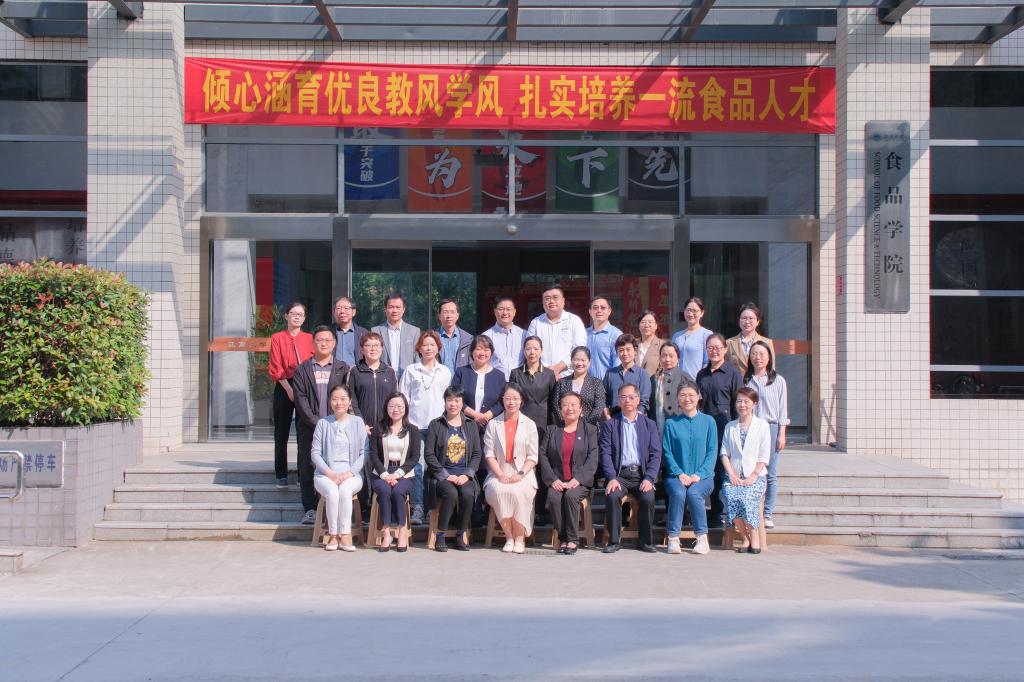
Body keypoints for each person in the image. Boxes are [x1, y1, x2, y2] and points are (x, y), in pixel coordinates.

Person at [292, 326, 350, 526]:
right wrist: (318, 423)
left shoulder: (343, 369)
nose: (324, 343)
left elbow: (347, 398)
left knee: (335, 466)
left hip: (338, 428)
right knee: (308, 466)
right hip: (310, 428)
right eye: (319, 340)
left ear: (334, 343)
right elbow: (300, 400)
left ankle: (332, 511)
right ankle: (310, 509)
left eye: (328, 340)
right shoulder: (303, 369)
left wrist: (335, 422)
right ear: (313, 343)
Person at [600, 384, 662, 553]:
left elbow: (656, 454)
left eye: (631, 397)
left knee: (648, 498)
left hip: (642, 474)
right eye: (623, 397)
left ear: (638, 400)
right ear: (619, 400)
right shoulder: (610, 424)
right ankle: (614, 541)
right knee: (612, 495)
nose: (627, 400)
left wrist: (649, 478)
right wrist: (611, 477)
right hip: (620, 475)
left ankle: (645, 541)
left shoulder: (649, 424)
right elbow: (605, 454)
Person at [398, 330, 452, 525]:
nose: (428, 348)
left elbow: (450, 400)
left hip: (439, 427)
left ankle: (433, 508)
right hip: (416, 426)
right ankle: (418, 507)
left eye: (432, 345)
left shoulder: (445, 371)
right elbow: (403, 398)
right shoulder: (411, 370)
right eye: (425, 345)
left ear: (438, 348)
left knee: (436, 468)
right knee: (418, 467)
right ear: (419, 348)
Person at [662, 380, 718, 555]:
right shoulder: (671, 423)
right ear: (678, 398)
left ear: (698, 396)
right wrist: (679, 473)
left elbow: (712, 452)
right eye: (683, 395)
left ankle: (702, 538)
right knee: (678, 493)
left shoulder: (709, 422)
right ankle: (673, 538)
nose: (687, 399)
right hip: (675, 476)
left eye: (691, 395)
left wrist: (698, 475)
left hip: (703, 477)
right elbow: (667, 452)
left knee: (694, 493)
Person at [539, 392, 599, 555]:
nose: (569, 408)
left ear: (581, 409)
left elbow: (593, 457)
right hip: (558, 480)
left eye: (573, 405)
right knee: (553, 498)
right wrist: (552, 479)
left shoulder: (590, 430)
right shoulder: (552, 430)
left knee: (571, 496)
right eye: (565, 405)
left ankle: (572, 540)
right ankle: (563, 537)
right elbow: (542, 455)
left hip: (579, 482)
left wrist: (578, 479)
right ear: (560, 409)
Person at [482, 384, 540, 553]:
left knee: (518, 492)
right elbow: (489, 454)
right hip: (498, 472)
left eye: (515, 398)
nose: (511, 402)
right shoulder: (493, 424)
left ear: (521, 400)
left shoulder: (529, 424)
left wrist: (520, 474)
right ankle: (509, 537)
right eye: (508, 398)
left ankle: (520, 538)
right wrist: (500, 475)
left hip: (523, 473)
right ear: (502, 400)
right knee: (498, 491)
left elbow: (533, 456)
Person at [310, 384, 368, 552]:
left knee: (344, 490)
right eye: (335, 399)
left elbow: (365, 452)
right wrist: (330, 473)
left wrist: (349, 473)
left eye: (343, 399)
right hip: (325, 474)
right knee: (332, 492)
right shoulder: (323, 423)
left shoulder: (357, 422)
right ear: (330, 402)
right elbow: (315, 453)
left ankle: (346, 534)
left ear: (350, 402)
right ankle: (333, 535)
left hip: (352, 474)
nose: (339, 403)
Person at [424, 385, 482, 552]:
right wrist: (446, 475)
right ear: (444, 402)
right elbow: (429, 454)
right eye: (449, 400)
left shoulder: (471, 425)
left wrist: (467, 475)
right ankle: (441, 534)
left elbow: (477, 454)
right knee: (451, 493)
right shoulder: (436, 424)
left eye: (457, 400)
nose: (453, 404)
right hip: (442, 475)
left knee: (468, 493)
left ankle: (460, 534)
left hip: (463, 474)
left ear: (462, 403)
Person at [696, 333, 743, 527]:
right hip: (706, 429)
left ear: (724, 349)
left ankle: (727, 513)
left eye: (717, 347)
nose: (714, 351)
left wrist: (738, 428)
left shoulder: (733, 373)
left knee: (725, 471)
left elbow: (738, 403)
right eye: (710, 348)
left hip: (727, 428)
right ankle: (714, 513)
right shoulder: (702, 374)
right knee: (711, 470)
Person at [509, 335, 557, 526]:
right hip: (522, 425)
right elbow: (512, 400)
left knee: (542, 466)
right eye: (528, 348)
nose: (532, 352)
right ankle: (522, 508)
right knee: (522, 464)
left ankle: (540, 510)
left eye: (536, 348)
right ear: (523, 351)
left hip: (543, 425)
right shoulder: (516, 373)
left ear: (541, 351)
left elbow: (553, 403)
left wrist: (553, 428)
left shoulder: (549, 374)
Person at [267, 302, 314, 489]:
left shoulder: (309, 338)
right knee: (281, 432)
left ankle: (304, 473)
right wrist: (289, 389)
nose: (296, 317)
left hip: (305, 386)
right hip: (284, 385)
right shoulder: (277, 338)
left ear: (304, 318)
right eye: (293, 313)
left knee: (304, 432)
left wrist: (301, 390)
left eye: (300, 314)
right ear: (286, 316)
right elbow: (276, 366)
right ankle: (281, 473)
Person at [744, 340, 789, 529]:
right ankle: (751, 509)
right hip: (751, 429)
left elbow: (783, 410)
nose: (758, 357)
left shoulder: (778, 381)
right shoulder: (746, 380)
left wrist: (781, 433)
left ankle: (768, 513)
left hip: (771, 428)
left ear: (769, 357)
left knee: (770, 472)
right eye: (754, 353)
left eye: (762, 354)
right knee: (751, 469)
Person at [720, 387, 771, 554]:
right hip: (734, 476)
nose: (742, 405)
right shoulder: (730, 426)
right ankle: (745, 537)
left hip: (755, 476)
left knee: (747, 497)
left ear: (754, 404)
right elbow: (724, 453)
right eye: (739, 401)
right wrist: (731, 474)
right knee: (731, 496)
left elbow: (764, 456)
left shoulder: (762, 426)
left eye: (746, 401)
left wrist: (753, 475)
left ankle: (754, 535)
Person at [368, 393, 420, 552]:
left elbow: (415, 457)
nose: (395, 410)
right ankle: (386, 532)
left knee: (398, 492)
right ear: (386, 408)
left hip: (404, 474)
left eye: (399, 406)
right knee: (384, 491)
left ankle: (402, 530)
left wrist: (397, 474)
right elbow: (373, 455)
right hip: (381, 472)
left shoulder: (413, 430)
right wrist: (385, 475)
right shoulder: (378, 428)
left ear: (405, 408)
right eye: (391, 406)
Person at [526, 285, 587, 378]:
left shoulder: (574, 321)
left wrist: (558, 368)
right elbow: (530, 349)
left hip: (569, 376)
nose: (551, 301)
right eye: (547, 298)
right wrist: (546, 371)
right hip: (541, 376)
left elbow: (579, 348)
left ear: (563, 301)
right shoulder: (536, 323)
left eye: (555, 297)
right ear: (543, 302)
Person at [451, 335, 505, 435]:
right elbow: (454, 397)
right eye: (478, 349)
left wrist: (486, 416)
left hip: (490, 428)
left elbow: (502, 402)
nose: (482, 353)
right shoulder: (461, 372)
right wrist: (475, 415)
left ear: (491, 352)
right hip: (463, 425)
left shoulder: (499, 376)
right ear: (471, 352)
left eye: (486, 349)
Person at [347, 332, 398, 434]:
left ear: (382, 348)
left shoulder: (390, 372)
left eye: (376, 345)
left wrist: (390, 423)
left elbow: (395, 400)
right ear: (362, 350)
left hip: (385, 428)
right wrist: (361, 424)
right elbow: (351, 401)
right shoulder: (354, 371)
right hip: (361, 429)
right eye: (368, 345)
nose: (373, 348)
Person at [551, 346, 606, 426]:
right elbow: (555, 405)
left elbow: (599, 408)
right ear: (571, 361)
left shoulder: (596, 383)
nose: (579, 363)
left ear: (589, 362)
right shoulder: (562, 382)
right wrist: (566, 423)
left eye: (583, 360)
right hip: (565, 427)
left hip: (589, 428)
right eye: (576, 360)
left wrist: (583, 426)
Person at [371, 293, 421, 379]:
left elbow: (417, 357)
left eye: (398, 307)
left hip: (408, 378)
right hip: (382, 377)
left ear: (403, 309)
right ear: (385, 309)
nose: (394, 310)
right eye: (391, 307)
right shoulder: (376, 331)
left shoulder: (414, 331)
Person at [602, 334, 651, 418]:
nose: (625, 353)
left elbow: (644, 401)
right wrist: (608, 417)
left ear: (635, 351)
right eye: (621, 350)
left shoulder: (642, 374)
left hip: (637, 420)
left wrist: (634, 419)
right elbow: (603, 398)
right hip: (613, 419)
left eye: (628, 350)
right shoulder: (610, 373)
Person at [650, 343, 693, 434]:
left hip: (679, 424)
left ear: (678, 358)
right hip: (657, 424)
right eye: (664, 356)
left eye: (671, 356)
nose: (667, 359)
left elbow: (695, 402)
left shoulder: (684, 377)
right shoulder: (654, 378)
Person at [482, 295, 525, 380]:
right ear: (495, 311)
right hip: (495, 381)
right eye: (501, 309)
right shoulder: (486, 337)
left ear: (514, 312)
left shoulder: (524, 335)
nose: (505, 313)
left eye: (508, 309)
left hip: (519, 382)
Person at [726, 302, 776, 375]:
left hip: (760, 381)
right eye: (744, 318)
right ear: (739, 320)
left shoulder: (767, 342)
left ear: (758, 321)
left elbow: (771, 368)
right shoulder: (729, 343)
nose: (747, 322)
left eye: (751, 318)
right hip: (737, 382)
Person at [672, 297, 714, 381]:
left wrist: (701, 379)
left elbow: (708, 361)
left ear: (702, 313)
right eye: (688, 310)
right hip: (676, 382)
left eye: (695, 311)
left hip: (696, 382)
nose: (691, 314)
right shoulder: (677, 336)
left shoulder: (707, 334)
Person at [585, 296, 621, 380]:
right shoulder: (584, 334)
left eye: (603, 308)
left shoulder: (616, 335)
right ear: (590, 311)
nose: (599, 310)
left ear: (609, 311)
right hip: (585, 384)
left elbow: (618, 364)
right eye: (595, 308)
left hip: (606, 384)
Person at [436, 298, 473, 375]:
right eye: (445, 312)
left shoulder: (468, 340)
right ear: (439, 316)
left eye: (452, 312)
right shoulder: (432, 338)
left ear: (457, 316)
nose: (449, 316)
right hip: (437, 381)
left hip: (461, 381)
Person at [332, 295, 369, 367]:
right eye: (338, 308)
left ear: (353, 312)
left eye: (346, 308)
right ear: (334, 312)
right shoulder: (327, 332)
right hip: (332, 373)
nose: (342, 311)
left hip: (356, 373)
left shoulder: (363, 334)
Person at [635, 309, 666, 377]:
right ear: (639, 326)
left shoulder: (663, 345)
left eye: (650, 322)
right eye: (643, 322)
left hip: (654, 382)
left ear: (656, 326)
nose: (646, 325)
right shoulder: (633, 344)